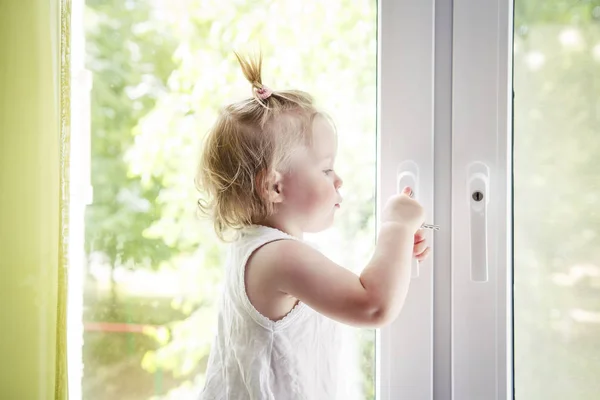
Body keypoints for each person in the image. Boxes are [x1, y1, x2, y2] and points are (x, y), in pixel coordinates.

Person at [197, 53, 431, 400]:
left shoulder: (264, 249)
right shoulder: (278, 257)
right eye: (325, 170)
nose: (338, 179)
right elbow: (373, 304)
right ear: (275, 186)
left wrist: (395, 252)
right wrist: (396, 225)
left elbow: (357, 289)